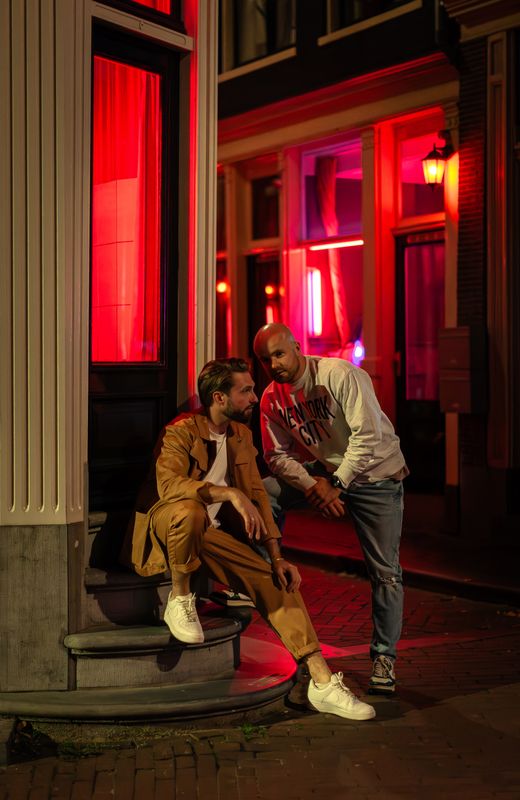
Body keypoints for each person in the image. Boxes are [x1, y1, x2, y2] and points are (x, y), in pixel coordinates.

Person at [121, 357, 376, 721]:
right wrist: (229, 494)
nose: (255, 397)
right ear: (220, 398)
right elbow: (170, 486)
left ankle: (321, 681)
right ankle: (180, 597)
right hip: (170, 525)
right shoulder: (180, 431)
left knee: (276, 581)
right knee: (191, 511)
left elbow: (257, 496)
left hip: (209, 536)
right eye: (246, 390)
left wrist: (277, 557)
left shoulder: (240, 435)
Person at [253, 323, 409, 695]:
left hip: (376, 476)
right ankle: (262, 569)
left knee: (385, 572)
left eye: (279, 354)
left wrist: (335, 484)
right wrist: (313, 486)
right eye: (265, 359)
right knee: (262, 493)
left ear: (296, 347)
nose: (274, 365)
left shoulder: (339, 375)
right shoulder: (271, 399)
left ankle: (384, 659)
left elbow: (367, 436)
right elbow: (276, 457)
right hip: (326, 473)